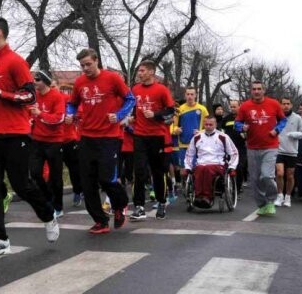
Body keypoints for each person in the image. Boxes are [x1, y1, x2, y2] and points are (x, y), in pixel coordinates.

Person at [0, 17, 58, 257]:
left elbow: (30, 97)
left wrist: (1, 93)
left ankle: (48, 214)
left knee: (22, 185)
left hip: (15, 135)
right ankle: (0, 240)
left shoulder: (16, 62)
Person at [66, 48, 135, 234]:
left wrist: (119, 115)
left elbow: (130, 99)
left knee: (106, 178)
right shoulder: (80, 82)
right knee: (87, 183)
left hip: (108, 137)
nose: (85, 68)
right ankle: (100, 221)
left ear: (96, 61)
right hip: (87, 137)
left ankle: (120, 204)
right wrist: (69, 114)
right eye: (82, 66)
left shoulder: (112, 78)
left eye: (88, 64)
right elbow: (72, 103)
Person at [129, 60, 176, 221]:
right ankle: (139, 206)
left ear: (151, 72)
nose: (139, 74)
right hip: (140, 135)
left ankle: (162, 202)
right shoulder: (135, 89)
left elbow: (171, 111)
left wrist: (155, 115)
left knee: (158, 172)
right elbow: (134, 109)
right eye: (139, 71)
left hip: (157, 136)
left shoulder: (161, 90)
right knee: (139, 171)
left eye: (142, 71)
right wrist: (131, 118)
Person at [236, 81, 286, 216]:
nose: (256, 91)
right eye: (254, 89)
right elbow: (237, 122)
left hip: (270, 146)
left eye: (259, 89)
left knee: (267, 175)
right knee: (255, 179)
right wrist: (242, 127)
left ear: (263, 91)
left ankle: (271, 200)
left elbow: (283, 120)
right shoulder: (245, 106)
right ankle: (262, 204)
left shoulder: (274, 103)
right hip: (252, 147)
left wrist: (277, 130)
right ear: (251, 91)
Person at [29, 70, 66, 218]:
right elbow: (28, 112)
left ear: (44, 81)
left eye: (37, 80)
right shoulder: (35, 96)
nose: (34, 82)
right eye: (34, 79)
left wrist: (40, 115)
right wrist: (30, 120)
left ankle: (58, 206)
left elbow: (59, 118)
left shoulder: (56, 96)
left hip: (54, 141)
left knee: (56, 176)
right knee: (35, 173)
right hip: (37, 140)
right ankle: (47, 197)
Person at [182, 117, 239, 208]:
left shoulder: (223, 137)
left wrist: (232, 167)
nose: (208, 126)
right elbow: (189, 154)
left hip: (218, 164)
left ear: (215, 125)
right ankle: (198, 196)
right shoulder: (197, 137)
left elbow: (234, 153)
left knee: (207, 169)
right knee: (200, 169)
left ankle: (207, 197)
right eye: (206, 124)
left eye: (210, 125)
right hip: (201, 163)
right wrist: (187, 167)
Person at [274, 97, 302, 207]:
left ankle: (288, 197)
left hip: (291, 151)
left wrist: (293, 134)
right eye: (283, 103)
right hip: (279, 150)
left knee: (290, 176)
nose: (285, 106)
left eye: (288, 103)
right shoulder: (276, 117)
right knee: (279, 173)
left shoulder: (297, 118)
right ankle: (279, 195)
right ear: (280, 105)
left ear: (291, 105)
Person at [173, 87, 209, 174]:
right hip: (183, 144)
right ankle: (184, 186)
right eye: (188, 94)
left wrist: (201, 132)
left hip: (198, 143)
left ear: (195, 95)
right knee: (183, 170)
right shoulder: (179, 109)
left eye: (192, 94)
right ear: (185, 95)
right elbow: (173, 125)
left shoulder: (202, 109)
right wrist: (176, 129)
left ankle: (195, 186)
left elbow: (208, 126)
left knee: (196, 168)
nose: (190, 96)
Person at [222, 99, 247, 193]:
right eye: (231, 106)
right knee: (228, 168)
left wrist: (245, 135)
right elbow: (221, 130)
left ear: (239, 106)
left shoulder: (244, 118)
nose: (232, 108)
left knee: (239, 167)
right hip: (229, 148)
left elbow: (250, 130)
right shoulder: (226, 118)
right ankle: (228, 187)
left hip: (240, 147)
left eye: (234, 106)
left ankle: (238, 187)